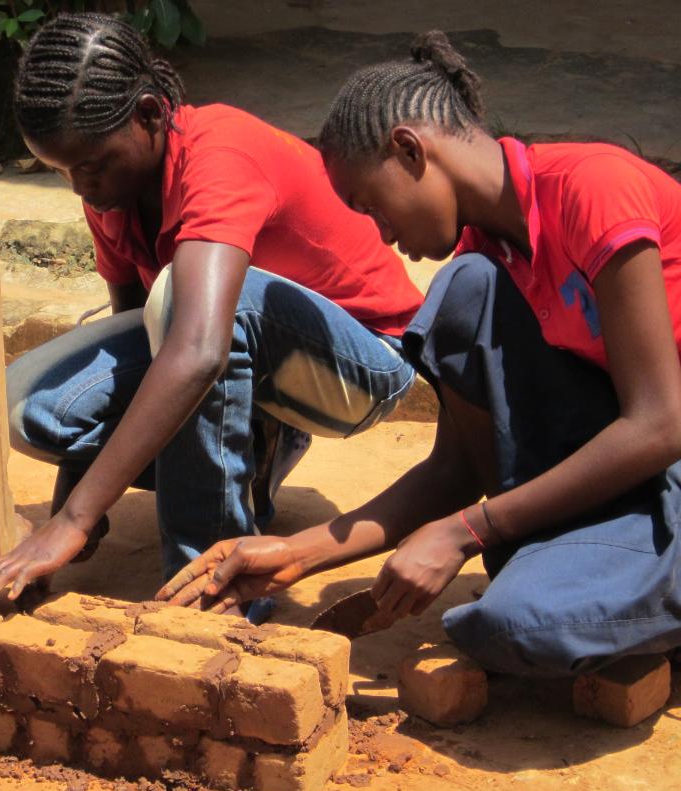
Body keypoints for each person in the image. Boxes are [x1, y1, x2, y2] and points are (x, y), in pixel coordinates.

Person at [160, 32, 681, 679]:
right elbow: (453, 472)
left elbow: (661, 422)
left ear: (410, 150)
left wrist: (467, 531)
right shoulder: (487, 261)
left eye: (372, 206)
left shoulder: (593, 189)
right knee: (463, 295)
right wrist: (297, 555)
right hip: (629, 469)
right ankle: (598, 566)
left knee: (514, 624)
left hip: (664, 455)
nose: (383, 235)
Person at [0, 13, 422, 608]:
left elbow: (199, 349)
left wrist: (75, 518)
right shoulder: (113, 191)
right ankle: (255, 442)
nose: (80, 186)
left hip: (362, 362)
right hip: (240, 351)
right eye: (62, 171)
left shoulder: (220, 155)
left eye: (93, 165)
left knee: (190, 304)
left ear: (151, 115)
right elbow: (132, 341)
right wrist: (73, 493)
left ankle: (211, 590)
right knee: (33, 406)